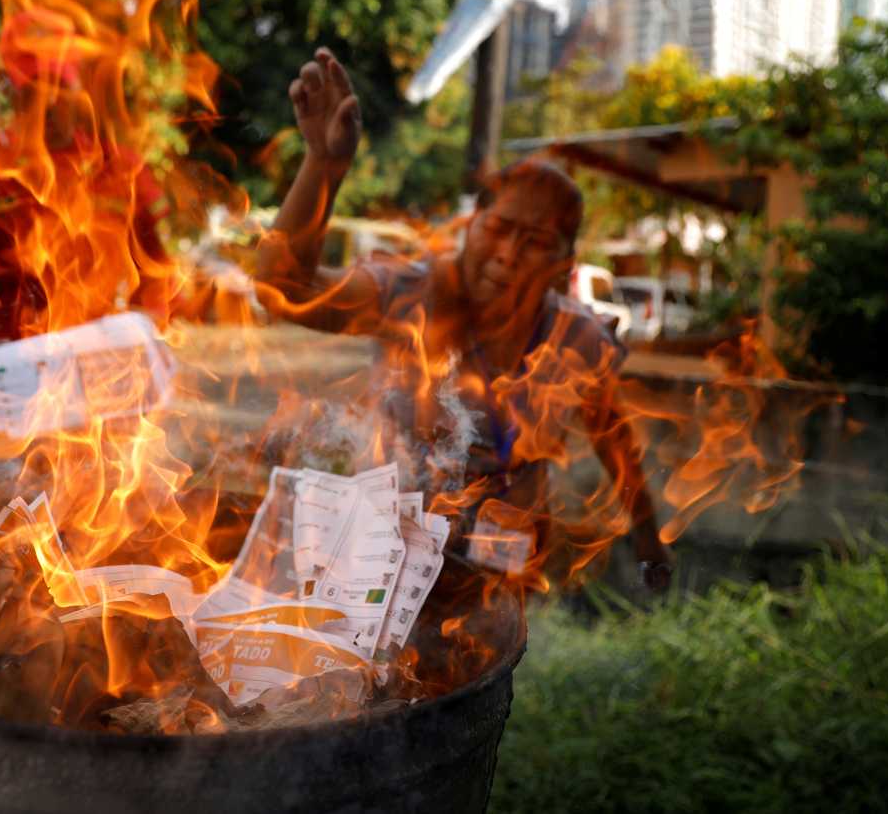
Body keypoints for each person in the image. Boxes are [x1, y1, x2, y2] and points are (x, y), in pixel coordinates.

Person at [255, 47, 672, 591]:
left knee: (491, 644)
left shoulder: (578, 340)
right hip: (384, 561)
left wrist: (649, 544)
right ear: (471, 226)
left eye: (535, 242)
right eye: (497, 229)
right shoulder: (413, 293)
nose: (507, 255)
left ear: (563, 265)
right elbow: (283, 287)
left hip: (503, 569)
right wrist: (323, 167)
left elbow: (615, 445)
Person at [0, 11, 174, 504]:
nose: (47, 105)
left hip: (94, 405)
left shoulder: (121, 172)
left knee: (97, 537)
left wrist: (140, 341)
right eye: (32, 90)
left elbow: (160, 277)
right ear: (11, 92)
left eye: (57, 88)